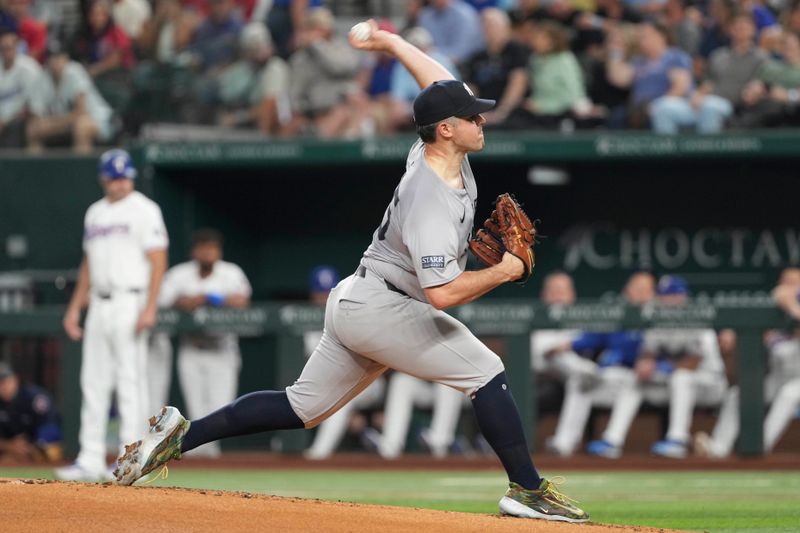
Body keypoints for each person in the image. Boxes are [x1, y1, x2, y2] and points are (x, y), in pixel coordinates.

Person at [114, 20, 588, 524]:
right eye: (473, 117)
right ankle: (527, 490)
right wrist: (508, 270)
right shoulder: (429, 195)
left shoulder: (437, 148)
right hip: (386, 306)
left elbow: (439, 82)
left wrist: (393, 42)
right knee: (487, 371)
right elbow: (443, 295)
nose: (482, 121)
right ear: (447, 129)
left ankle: (181, 435)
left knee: (302, 408)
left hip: (361, 298)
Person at [56, 149, 168, 482]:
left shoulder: (145, 210)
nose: (120, 183)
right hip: (99, 304)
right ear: (103, 178)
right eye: (114, 177)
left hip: (129, 300)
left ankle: (131, 460)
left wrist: (150, 306)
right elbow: (89, 263)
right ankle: (89, 458)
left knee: (130, 383)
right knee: (93, 382)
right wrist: (75, 306)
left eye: (125, 176)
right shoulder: (96, 213)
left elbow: (158, 260)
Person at [584, 275, 727, 459]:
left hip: (709, 384)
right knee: (635, 380)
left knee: (681, 377)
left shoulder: (696, 318)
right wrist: (646, 365)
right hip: (675, 385)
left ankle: (678, 440)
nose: (669, 300)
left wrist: (664, 367)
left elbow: (694, 361)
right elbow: (648, 353)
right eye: (665, 295)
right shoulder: (657, 318)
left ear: (684, 297)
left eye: (674, 295)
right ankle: (612, 440)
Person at [158, 228, 251, 457]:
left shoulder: (230, 272)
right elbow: (162, 300)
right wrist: (185, 301)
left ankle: (211, 458)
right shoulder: (180, 274)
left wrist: (210, 298)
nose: (208, 252)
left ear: (218, 251)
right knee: (196, 411)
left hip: (222, 349)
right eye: (203, 247)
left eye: (212, 247)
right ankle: (201, 461)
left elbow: (243, 300)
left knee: (220, 411)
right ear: (194, 251)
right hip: (192, 349)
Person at [548, 271, 656, 457]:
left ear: (653, 293)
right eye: (635, 288)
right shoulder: (619, 314)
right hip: (611, 377)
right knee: (580, 381)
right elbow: (594, 336)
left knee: (633, 382)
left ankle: (612, 441)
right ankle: (564, 442)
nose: (638, 293)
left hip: (643, 379)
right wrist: (568, 345)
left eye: (644, 289)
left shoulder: (657, 317)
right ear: (626, 291)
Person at [695, 267, 800, 457]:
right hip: (780, 376)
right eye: (785, 281)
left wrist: (793, 309)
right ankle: (718, 448)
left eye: (794, 281)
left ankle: (760, 447)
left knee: (789, 394)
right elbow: (777, 298)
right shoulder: (773, 310)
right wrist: (734, 332)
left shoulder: (789, 306)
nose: (788, 286)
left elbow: (785, 297)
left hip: (797, 380)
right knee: (740, 393)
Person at [303, 266, 387, 460]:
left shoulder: (349, 311)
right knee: (336, 394)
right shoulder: (306, 324)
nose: (324, 298)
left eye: (328, 292)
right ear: (312, 295)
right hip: (335, 385)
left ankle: (318, 456)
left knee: (337, 394)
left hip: (368, 382)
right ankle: (373, 440)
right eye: (320, 293)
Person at [26, 42, 116, 153]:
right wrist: (46, 124)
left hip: (97, 119)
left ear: (66, 58)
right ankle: (36, 170)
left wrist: (53, 124)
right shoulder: (41, 78)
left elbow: (80, 112)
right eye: (52, 57)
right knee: (33, 129)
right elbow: (36, 116)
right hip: (65, 123)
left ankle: (80, 170)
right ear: (47, 60)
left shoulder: (75, 72)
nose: (56, 61)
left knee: (81, 127)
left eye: (59, 56)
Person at [0, 361, 63, 463]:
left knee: (51, 452)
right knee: (7, 460)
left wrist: (34, 445)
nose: (2, 387)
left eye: (5, 381)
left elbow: (51, 426)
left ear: (15, 379)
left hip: (37, 446)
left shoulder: (34, 397)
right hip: (9, 448)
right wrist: (9, 445)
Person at [0, 28, 41, 148]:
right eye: (2, 49)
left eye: (9, 48)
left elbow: (32, 107)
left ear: (17, 48)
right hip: (3, 119)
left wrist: (6, 120)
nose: (6, 52)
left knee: (17, 127)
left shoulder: (29, 68)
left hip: (22, 119)